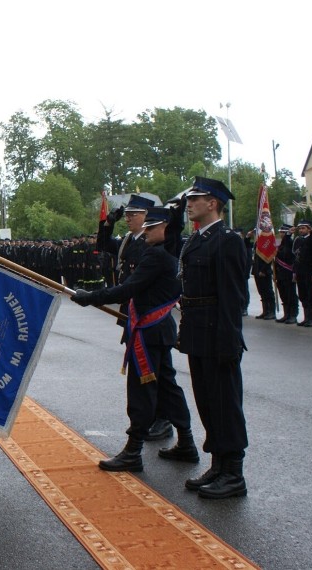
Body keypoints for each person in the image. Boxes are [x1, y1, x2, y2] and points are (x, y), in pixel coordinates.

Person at [72, 207, 197, 472]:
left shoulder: (155, 255)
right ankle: (186, 441)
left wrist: (90, 297)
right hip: (160, 329)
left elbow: (129, 288)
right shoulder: (171, 254)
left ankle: (133, 450)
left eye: (151, 227)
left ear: (165, 228)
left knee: (141, 390)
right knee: (167, 386)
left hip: (148, 333)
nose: (146, 231)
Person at [177, 177, 248, 499]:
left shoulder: (227, 240)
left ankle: (234, 472)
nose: (189, 203)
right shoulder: (196, 240)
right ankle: (218, 464)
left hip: (218, 337)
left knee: (225, 405)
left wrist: (230, 341)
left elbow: (234, 298)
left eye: (196, 198)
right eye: (189, 199)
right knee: (207, 403)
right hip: (198, 336)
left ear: (214, 203)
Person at [97, 194, 172, 441]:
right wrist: (108, 224)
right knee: (151, 373)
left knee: (155, 374)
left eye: (134, 215)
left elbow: (134, 283)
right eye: (126, 215)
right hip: (134, 313)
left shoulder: (152, 245)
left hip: (149, 316)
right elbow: (103, 245)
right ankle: (160, 419)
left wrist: (94, 297)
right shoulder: (130, 240)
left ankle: (162, 420)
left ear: (147, 217)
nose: (128, 218)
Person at [293, 220, 312, 327]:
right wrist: (294, 272)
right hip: (300, 271)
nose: (301, 230)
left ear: (309, 229)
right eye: (300, 228)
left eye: (303, 228)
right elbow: (295, 257)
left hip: (309, 271)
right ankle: (306, 317)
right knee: (302, 294)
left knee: (311, 295)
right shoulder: (298, 240)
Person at [247, 229, 276, 320]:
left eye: (257, 233)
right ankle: (265, 310)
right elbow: (247, 246)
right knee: (262, 292)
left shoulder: (266, 242)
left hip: (264, 271)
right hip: (256, 270)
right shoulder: (257, 242)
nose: (256, 234)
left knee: (268, 292)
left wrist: (263, 270)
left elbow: (269, 257)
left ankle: (271, 311)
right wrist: (248, 237)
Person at [274, 225, 299, 324]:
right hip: (280, 274)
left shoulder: (290, 243)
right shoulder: (279, 244)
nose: (281, 234)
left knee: (291, 295)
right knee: (283, 294)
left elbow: (287, 255)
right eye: (281, 232)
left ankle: (293, 315)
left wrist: (277, 253)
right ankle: (286, 314)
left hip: (288, 273)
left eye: (284, 232)